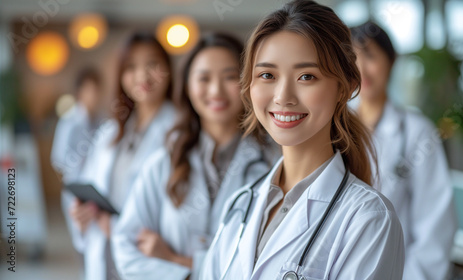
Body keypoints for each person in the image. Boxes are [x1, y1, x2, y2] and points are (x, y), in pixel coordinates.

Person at [200, 1, 405, 279]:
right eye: (267, 75)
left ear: (345, 87)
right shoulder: (240, 203)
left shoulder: (369, 219)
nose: (283, 96)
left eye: (306, 76)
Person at [112, 33, 279, 280]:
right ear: (188, 87)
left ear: (248, 83)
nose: (215, 90)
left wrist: (176, 261)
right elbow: (127, 247)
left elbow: (273, 260)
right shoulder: (164, 163)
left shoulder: (273, 163)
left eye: (230, 77)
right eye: (204, 78)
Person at [64, 32, 177, 280]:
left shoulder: (179, 131)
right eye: (131, 67)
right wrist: (82, 212)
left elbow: (177, 209)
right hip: (104, 254)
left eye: (152, 64)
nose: (142, 76)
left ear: (168, 69)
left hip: (148, 260)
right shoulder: (112, 130)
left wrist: (117, 229)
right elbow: (92, 182)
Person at [351, 21, 457, 280]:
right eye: (351, 58)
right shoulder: (334, 128)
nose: (361, 67)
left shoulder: (417, 131)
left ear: (392, 61)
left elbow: (435, 222)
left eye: (371, 56)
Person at [51, 66, 103, 183]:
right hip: (76, 183)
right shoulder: (69, 121)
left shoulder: (101, 120)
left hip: (97, 183)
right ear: (80, 91)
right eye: (89, 90)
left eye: (96, 90)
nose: (94, 95)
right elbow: (58, 158)